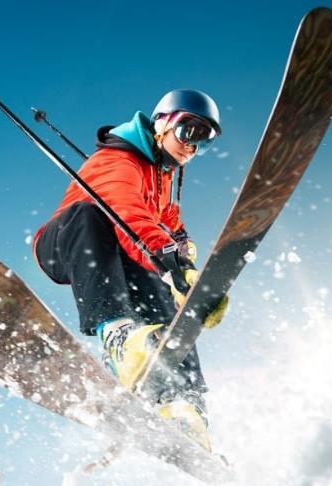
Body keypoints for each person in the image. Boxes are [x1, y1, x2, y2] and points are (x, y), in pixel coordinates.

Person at [33, 89, 229, 451]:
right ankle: (118, 337)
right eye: (189, 131)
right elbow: (129, 215)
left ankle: (184, 405)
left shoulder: (164, 174)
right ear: (163, 123)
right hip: (67, 242)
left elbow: (168, 221)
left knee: (169, 315)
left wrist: (186, 262)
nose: (193, 146)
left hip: (124, 251)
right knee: (93, 216)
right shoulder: (117, 160)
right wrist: (173, 263)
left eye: (206, 139)